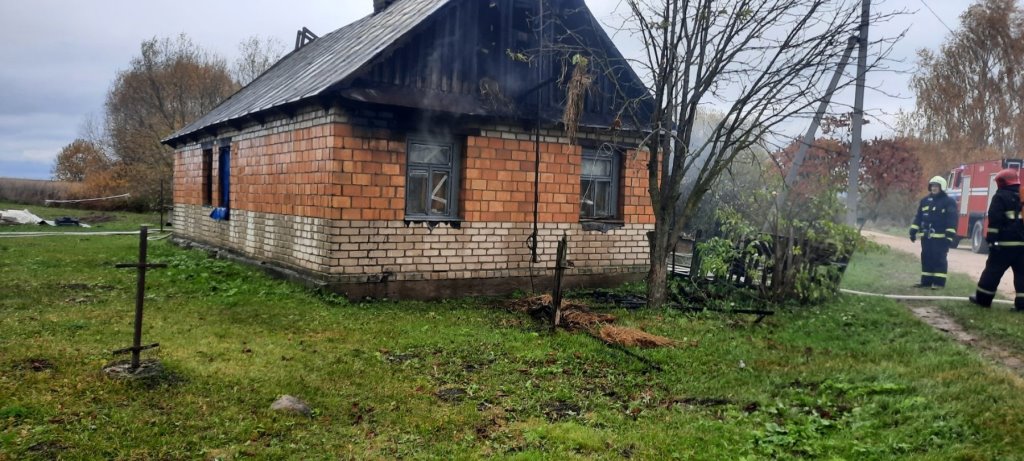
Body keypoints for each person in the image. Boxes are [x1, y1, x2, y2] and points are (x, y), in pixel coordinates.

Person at [970, 168, 1024, 311]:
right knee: (1022, 275)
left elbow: (995, 221)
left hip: (1004, 245)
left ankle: (983, 300)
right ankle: (1022, 306)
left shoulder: (1000, 196)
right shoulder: (1022, 195)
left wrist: (992, 240)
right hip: (1022, 245)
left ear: (1001, 182)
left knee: (992, 271)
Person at [909, 176, 957, 289]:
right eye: (932, 186)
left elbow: (952, 220)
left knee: (939, 259)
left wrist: (949, 237)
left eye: (936, 186)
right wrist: (913, 230)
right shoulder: (925, 201)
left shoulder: (949, 202)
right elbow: (918, 217)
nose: (934, 188)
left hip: (940, 238)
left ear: (942, 187)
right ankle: (926, 282)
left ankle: (939, 283)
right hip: (926, 237)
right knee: (926, 258)